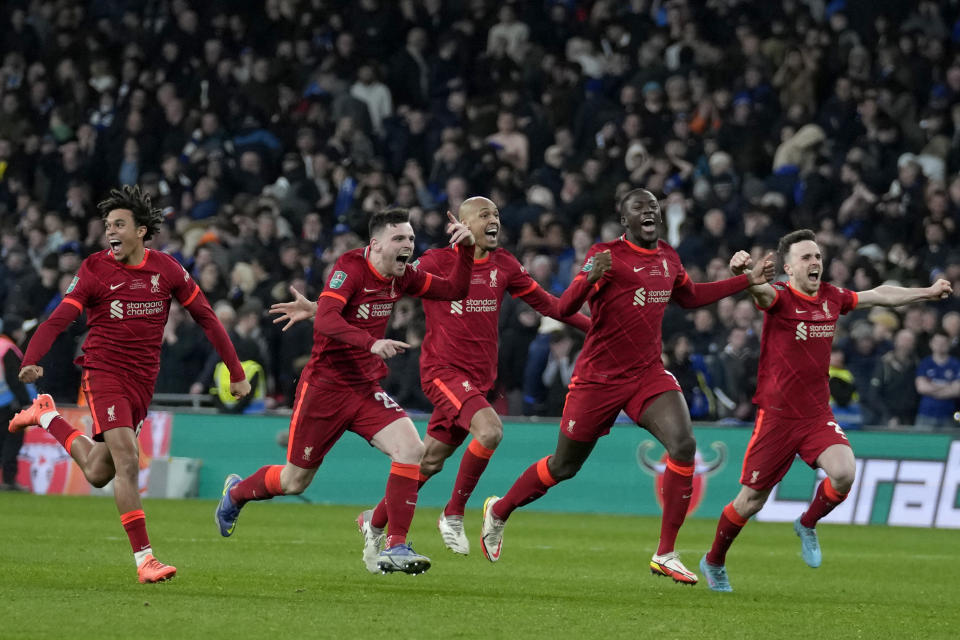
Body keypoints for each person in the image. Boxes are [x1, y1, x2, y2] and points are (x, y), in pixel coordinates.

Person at [478, 189, 775, 584]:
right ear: (625, 221)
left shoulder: (668, 256)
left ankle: (665, 552)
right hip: (597, 380)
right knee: (563, 466)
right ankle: (499, 511)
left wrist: (743, 281)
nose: (648, 212)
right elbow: (564, 308)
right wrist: (589, 279)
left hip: (646, 374)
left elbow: (689, 297)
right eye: (639, 208)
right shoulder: (605, 255)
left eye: (653, 207)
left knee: (684, 445)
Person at [8, 185, 251, 583]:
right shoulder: (94, 269)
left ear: (141, 230)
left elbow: (207, 317)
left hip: (142, 381)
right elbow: (59, 317)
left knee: (98, 470)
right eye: (107, 226)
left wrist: (236, 371)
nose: (111, 232)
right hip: (103, 371)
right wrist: (32, 358)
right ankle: (145, 559)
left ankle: (47, 416)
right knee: (126, 460)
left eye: (119, 224)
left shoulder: (167, 270)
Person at [215, 208, 476, 576]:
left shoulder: (402, 276)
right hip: (324, 388)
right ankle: (237, 493)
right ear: (376, 245)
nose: (408, 246)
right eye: (399, 239)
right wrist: (370, 343)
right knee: (294, 480)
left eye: (412, 239)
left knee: (411, 450)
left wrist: (466, 252)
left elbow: (455, 290)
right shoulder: (350, 267)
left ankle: (395, 545)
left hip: (364, 388)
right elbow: (326, 320)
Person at [699, 229, 952, 592]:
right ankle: (714, 561)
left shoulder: (833, 297)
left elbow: (880, 294)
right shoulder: (780, 298)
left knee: (845, 473)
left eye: (817, 256)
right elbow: (758, 290)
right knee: (750, 501)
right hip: (777, 417)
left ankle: (807, 522)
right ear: (788, 267)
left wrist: (925, 293)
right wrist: (745, 272)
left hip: (817, 416)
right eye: (806, 257)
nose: (815, 262)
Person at [360, 196, 590, 555]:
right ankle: (453, 513)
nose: (493, 219)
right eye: (484, 214)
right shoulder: (436, 261)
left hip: (478, 380)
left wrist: (596, 328)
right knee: (490, 430)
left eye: (496, 213)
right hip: (442, 372)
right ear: (464, 223)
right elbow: (387, 285)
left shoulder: (505, 265)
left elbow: (552, 305)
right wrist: (333, 308)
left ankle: (373, 520)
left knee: (429, 462)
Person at [0, 317, 35, 491]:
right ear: (15, 332)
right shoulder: (8, 349)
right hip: (8, 403)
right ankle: (8, 480)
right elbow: (15, 379)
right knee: (11, 442)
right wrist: (25, 402)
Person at [914, 331, 960, 430]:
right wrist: (948, 386)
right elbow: (921, 388)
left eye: (943, 343)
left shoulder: (956, 364)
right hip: (926, 414)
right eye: (937, 342)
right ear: (931, 343)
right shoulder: (925, 363)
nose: (940, 345)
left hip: (949, 415)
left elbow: (957, 390)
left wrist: (932, 386)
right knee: (921, 443)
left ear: (949, 344)